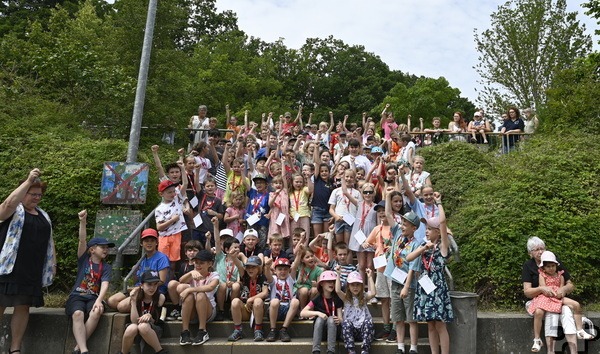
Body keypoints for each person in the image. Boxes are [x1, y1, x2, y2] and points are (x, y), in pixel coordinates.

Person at [0, 168, 56, 354]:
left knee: (23, 307)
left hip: (30, 271)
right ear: (23, 193)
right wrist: (28, 180)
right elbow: (6, 205)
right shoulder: (13, 211)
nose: (37, 198)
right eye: (33, 194)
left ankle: (14, 349)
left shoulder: (44, 215)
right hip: (8, 268)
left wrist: (51, 265)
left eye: (39, 195)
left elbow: (50, 244)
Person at [406, 197, 454, 354]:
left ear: (436, 232)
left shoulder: (442, 247)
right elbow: (409, 258)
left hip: (437, 288)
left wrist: (439, 203)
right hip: (425, 288)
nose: (425, 231)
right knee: (430, 324)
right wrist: (422, 248)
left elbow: (443, 223)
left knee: (440, 324)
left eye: (428, 229)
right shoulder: (423, 246)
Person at [65, 210, 114, 354]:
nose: (106, 250)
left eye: (107, 248)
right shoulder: (83, 260)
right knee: (78, 314)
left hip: (93, 297)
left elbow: (105, 284)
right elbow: (82, 240)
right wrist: (82, 221)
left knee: (97, 310)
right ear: (92, 249)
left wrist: (99, 300)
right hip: (77, 296)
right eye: (103, 247)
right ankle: (84, 350)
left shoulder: (106, 267)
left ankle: (77, 348)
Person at [526, 250, 593, 352]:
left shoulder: (560, 276)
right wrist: (549, 292)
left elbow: (562, 288)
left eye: (553, 266)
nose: (551, 268)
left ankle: (580, 330)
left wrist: (561, 292)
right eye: (548, 266)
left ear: (556, 265)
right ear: (543, 268)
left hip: (557, 298)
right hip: (546, 297)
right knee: (539, 312)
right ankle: (537, 339)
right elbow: (543, 288)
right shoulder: (542, 275)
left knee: (576, 305)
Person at [521, 237, 578, 353]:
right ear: (530, 253)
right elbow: (527, 292)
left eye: (542, 248)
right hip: (540, 300)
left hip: (558, 298)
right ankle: (550, 351)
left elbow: (570, 284)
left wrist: (563, 289)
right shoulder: (528, 266)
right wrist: (541, 288)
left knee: (567, 313)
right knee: (550, 314)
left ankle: (574, 351)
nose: (540, 252)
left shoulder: (553, 260)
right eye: (536, 249)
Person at [107, 229, 170, 313]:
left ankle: (143, 310)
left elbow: (162, 280)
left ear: (156, 242)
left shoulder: (161, 258)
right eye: (146, 241)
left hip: (153, 290)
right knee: (111, 301)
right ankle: (141, 308)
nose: (149, 243)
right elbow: (136, 280)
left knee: (121, 307)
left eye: (152, 241)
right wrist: (135, 271)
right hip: (138, 288)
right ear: (141, 243)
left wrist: (142, 287)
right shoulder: (142, 259)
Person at [117, 270, 167, 354]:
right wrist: (132, 301)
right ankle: (123, 352)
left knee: (143, 326)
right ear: (142, 285)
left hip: (154, 330)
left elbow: (158, 320)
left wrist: (150, 316)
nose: (152, 288)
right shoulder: (137, 296)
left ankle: (160, 351)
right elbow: (134, 321)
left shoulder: (160, 297)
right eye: (149, 284)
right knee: (131, 328)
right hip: (137, 328)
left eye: (155, 284)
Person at [178, 250, 219, 346]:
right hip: (192, 311)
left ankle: (202, 331)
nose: (198, 265)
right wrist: (191, 272)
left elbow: (210, 287)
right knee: (188, 297)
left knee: (200, 294)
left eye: (201, 263)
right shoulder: (193, 273)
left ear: (210, 264)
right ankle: (185, 332)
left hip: (208, 311)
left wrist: (190, 290)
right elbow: (181, 281)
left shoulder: (214, 275)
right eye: (196, 262)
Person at [300, 270, 344, 354]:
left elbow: (341, 318)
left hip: (334, 331)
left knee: (331, 319)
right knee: (319, 319)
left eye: (333, 282)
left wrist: (339, 320)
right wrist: (318, 313)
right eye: (328, 281)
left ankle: (331, 351)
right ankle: (316, 351)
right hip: (321, 331)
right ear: (321, 284)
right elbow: (303, 312)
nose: (331, 284)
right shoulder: (318, 298)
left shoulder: (337, 299)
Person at [337, 269, 375, 354]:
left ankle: (365, 349)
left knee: (368, 322)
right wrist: (338, 275)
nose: (355, 287)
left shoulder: (364, 297)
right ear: (348, 287)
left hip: (362, 330)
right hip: (351, 331)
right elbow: (338, 290)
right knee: (346, 323)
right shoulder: (346, 298)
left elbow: (373, 293)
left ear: (361, 286)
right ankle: (351, 350)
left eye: (358, 285)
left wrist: (369, 277)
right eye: (352, 285)